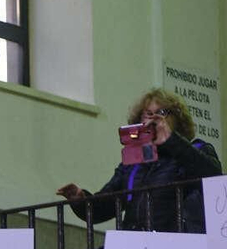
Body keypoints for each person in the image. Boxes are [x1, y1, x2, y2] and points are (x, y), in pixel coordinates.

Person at [57, 88, 221, 233]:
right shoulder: (133, 163)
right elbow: (104, 206)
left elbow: (214, 179)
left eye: (162, 113)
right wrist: (80, 200)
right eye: (148, 114)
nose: (155, 118)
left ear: (177, 119)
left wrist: (172, 141)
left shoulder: (197, 149)